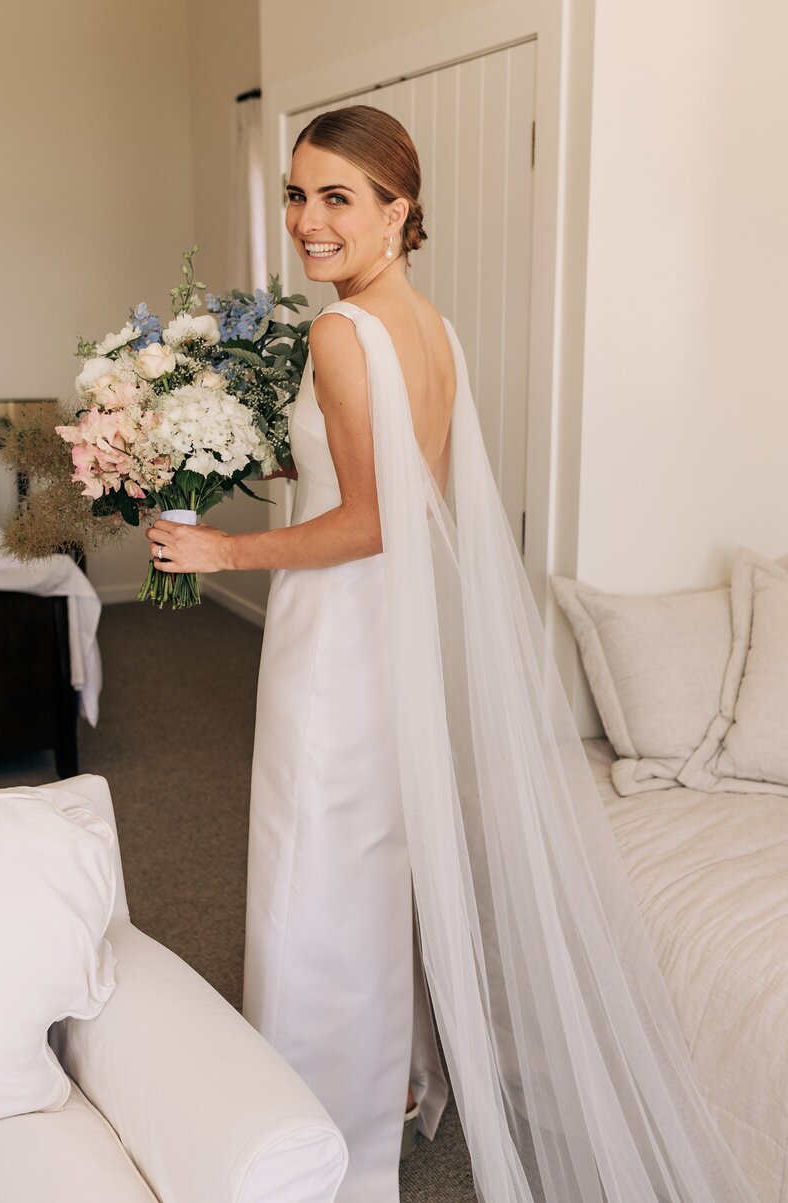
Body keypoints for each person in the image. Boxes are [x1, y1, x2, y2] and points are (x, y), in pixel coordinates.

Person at [146, 106, 762, 1203]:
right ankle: (377, 1081)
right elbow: (401, 492)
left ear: (399, 209)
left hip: (340, 627)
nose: (307, 221)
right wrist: (270, 468)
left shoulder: (340, 335)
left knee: (314, 867)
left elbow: (373, 519)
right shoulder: (426, 324)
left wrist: (218, 543)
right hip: (395, 628)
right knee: (373, 865)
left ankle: (313, 1124)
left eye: (337, 197)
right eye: (297, 193)